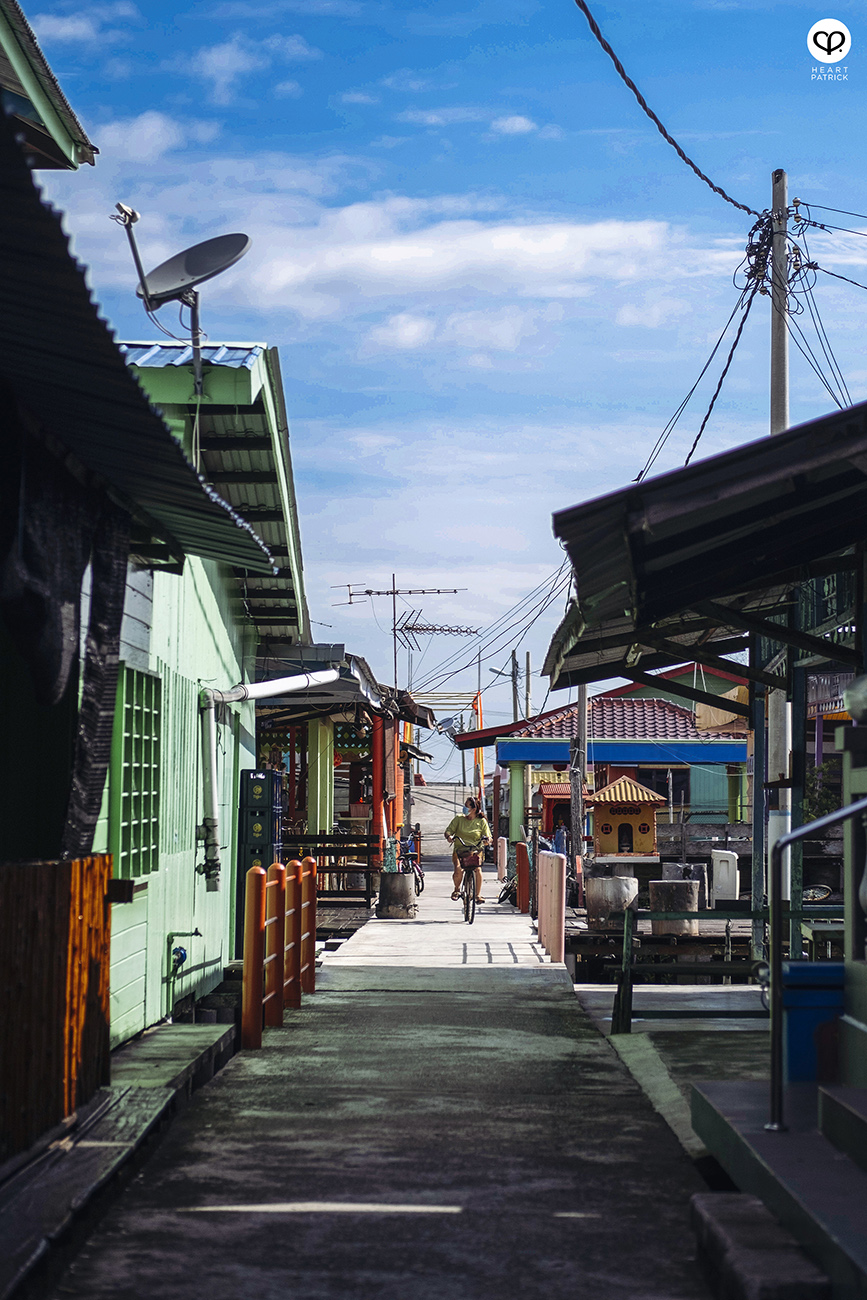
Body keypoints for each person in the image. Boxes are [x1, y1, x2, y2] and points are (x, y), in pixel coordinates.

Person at [444, 795, 492, 903]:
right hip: (460, 850)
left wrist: (488, 840)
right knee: (458, 869)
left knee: (478, 869)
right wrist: (449, 837)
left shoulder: (481, 821)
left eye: (467, 806)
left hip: (475, 851)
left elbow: (488, 835)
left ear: (474, 809)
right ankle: (456, 890)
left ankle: (478, 895)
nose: (465, 808)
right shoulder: (459, 819)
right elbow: (448, 831)